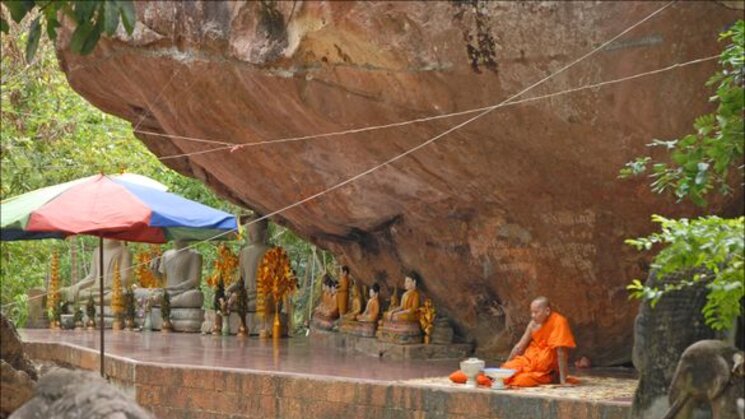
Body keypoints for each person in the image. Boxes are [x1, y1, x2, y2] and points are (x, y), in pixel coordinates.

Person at [501, 296, 577, 387]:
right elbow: (520, 346)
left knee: (522, 380)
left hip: (546, 369)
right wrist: (505, 366)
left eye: (536, 312)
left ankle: (552, 377)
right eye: (531, 312)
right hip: (530, 360)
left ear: (547, 311)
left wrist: (563, 380)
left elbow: (561, 352)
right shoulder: (533, 323)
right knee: (505, 372)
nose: (533, 315)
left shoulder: (559, 322)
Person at [62, 239, 131, 305]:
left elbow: (125, 277)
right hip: (95, 290)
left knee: (121, 295)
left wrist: (110, 285)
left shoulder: (123, 251)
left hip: (110, 291)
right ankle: (91, 299)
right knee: (69, 292)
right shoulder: (97, 251)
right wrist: (78, 285)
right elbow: (92, 276)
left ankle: (90, 300)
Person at [139, 239, 203, 307]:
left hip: (182, 293)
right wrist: (154, 271)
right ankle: (160, 300)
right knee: (136, 292)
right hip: (166, 292)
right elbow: (162, 280)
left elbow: (195, 281)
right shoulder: (166, 254)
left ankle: (166, 302)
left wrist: (173, 289)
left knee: (195, 296)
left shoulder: (194, 255)